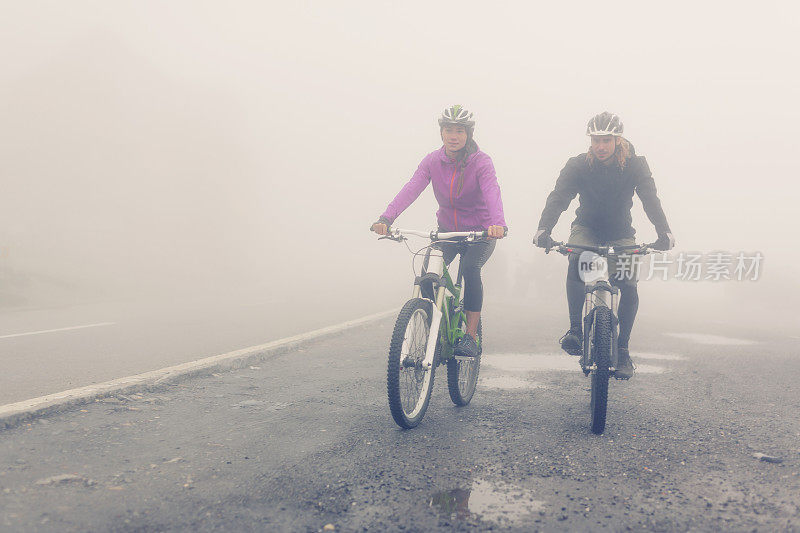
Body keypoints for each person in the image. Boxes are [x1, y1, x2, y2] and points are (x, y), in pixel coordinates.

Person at [533, 112, 675, 379]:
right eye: (596, 140)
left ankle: (622, 351)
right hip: (586, 228)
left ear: (617, 139)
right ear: (590, 140)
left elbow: (650, 199)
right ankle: (575, 330)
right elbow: (559, 197)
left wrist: (664, 232)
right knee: (577, 261)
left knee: (628, 284)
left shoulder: (635, 165)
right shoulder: (578, 165)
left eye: (606, 140)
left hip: (621, 233)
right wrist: (544, 228)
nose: (600, 146)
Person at [371, 105, 507, 358]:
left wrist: (497, 223)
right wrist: (386, 217)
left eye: (459, 131)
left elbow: (491, 191)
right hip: (448, 232)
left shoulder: (481, 162)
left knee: (469, 269)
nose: (453, 136)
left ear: (469, 134)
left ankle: (470, 337)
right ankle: (435, 324)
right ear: (441, 132)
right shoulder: (432, 161)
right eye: (448, 130)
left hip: (481, 233)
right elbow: (412, 188)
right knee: (427, 273)